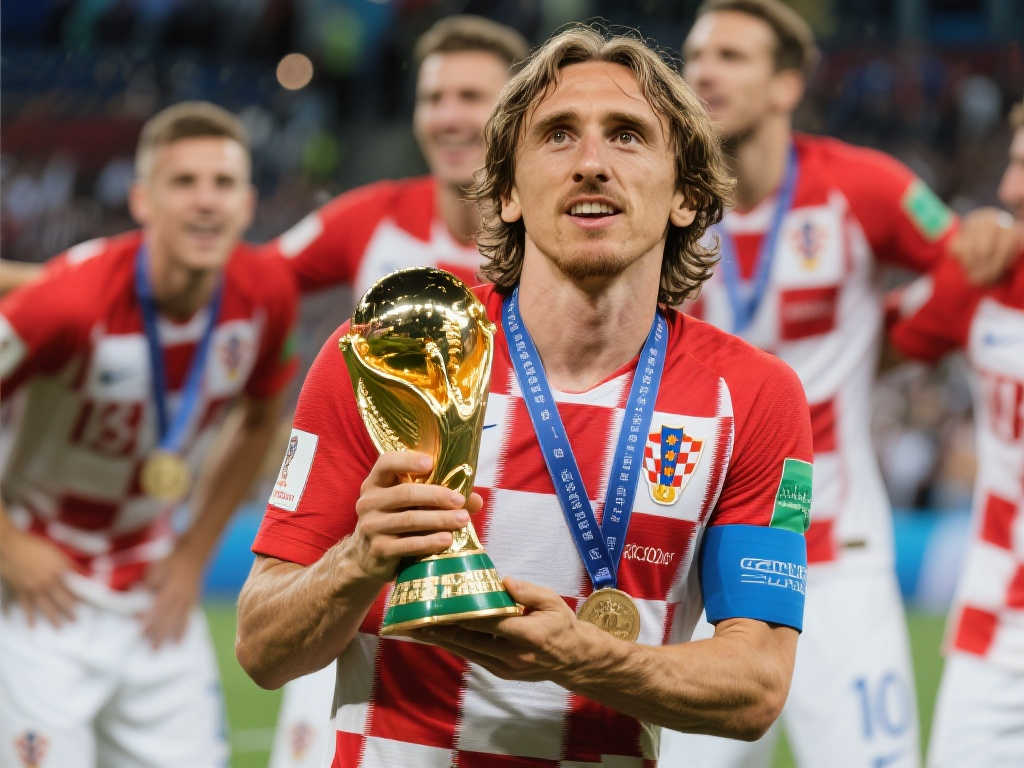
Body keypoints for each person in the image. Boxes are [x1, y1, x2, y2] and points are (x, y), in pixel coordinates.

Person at [237, 25, 816, 767]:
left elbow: (757, 686)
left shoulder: (755, 397)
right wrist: (357, 560)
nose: (591, 163)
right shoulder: (391, 355)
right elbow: (262, 649)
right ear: (507, 192)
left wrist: (583, 657)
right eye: (558, 135)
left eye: (628, 136)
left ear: (687, 196)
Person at [660, 2, 1022, 767]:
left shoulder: (863, 188)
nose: (704, 72)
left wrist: (982, 240)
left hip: (837, 557)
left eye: (731, 56)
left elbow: (970, 271)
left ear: (787, 85)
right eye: (697, 55)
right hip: (697, 558)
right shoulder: (658, 201)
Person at [261, 16, 531, 768]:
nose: (448, 116)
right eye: (433, 97)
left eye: (471, 96)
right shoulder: (371, 218)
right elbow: (252, 285)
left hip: (510, 553)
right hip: (363, 553)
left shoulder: (555, 243)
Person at [0, 102, 298, 768]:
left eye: (222, 183)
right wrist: (9, 545)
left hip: (153, 583)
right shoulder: (69, 303)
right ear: (142, 200)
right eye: (183, 182)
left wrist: (194, 553)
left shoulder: (266, 294)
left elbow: (259, 418)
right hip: (41, 587)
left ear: (247, 204)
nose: (206, 202)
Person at [889, 99, 1024, 768]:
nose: (1010, 189)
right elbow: (869, 347)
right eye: (1014, 165)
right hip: (998, 628)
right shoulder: (987, 275)